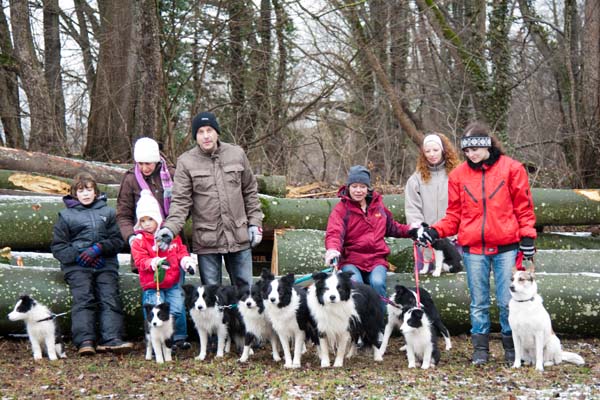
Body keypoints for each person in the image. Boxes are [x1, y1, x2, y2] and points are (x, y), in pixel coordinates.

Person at [415, 121, 537, 365]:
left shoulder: (512, 169)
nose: (471, 155)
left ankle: (511, 349)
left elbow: (524, 208)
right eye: (467, 151)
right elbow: (454, 216)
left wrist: (527, 238)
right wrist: (434, 231)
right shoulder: (459, 175)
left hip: (506, 247)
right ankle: (480, 350)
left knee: (506, 301)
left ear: (487, 146)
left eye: (475, 150)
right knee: (478, 302)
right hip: (473, 249)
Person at [155, 111, 264, 287]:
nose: (206, 136)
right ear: (195, 136)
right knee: (212, 296)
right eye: (200, 132)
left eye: (209, 130)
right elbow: (181, 202)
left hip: (239, 236)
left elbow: (250, 191)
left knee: (246, 293)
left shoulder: (237, 154)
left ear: (217, 132)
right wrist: (170, 228)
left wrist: (255, 223)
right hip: (207, 240)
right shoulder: (186, 161)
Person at [51, 173, 133, 356]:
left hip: (105, 262)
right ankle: (85, 340)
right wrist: (79, 255)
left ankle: (112, 338)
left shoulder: (109, 212)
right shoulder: (65, 216)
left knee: (109, 296)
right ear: (74, 194)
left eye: (89, 190)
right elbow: (58, 247)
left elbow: (118, 240)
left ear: (96, 192)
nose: (85, 194)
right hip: (77, 266)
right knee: (84, 297)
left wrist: (99, 248)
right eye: (81, 191)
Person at [324, 165, 414, 314]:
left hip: (376, 259)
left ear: (368, 188)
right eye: (354, 186)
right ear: (348, 187)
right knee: (357, 285)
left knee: (377, 282)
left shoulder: (378, 207)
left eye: (362, 186)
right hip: (351, 259)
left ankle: (379, 323)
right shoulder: (341, 210)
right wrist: (333, 250)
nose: (358, 190)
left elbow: (393, 227)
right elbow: (334, 233)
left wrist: (412, 230)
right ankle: (359, 325)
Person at [130, 190, 197, 349]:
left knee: (177, 310)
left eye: (150, 219)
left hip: (172, 282)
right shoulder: (139, 241)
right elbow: (140, 261)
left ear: (158, 219)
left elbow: (180, 251)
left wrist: (186, 261)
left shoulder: (171, 236)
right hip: (153, 285)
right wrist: (153, 262)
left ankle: (175, 338)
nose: (146, 224)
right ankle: (154, 343)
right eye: (143, 220)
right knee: (154, 313)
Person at [404, 133, 461, 273]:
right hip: (426, 241)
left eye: (435, 150)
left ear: (443, 150)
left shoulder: (457, 175)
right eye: (427, 151)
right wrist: (420, 232)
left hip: (453, 239)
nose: (432, 154)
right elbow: (412, 209)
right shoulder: (416, 179)